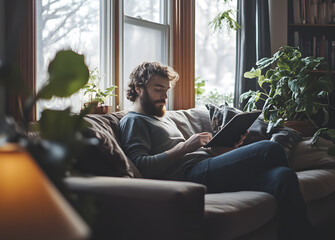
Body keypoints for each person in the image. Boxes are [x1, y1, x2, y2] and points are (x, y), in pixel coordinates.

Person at [119, 62, 313, 239]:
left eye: (166, 90)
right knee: (270, 148)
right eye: (158, 89)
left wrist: (224, 149)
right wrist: (186, 145)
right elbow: (142, 165)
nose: (164, 96)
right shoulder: (133, 120)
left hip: (203, 166)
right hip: (187, 177)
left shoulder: (162, 117)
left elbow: (193, 154)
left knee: (283, 176)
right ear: (139, 88)